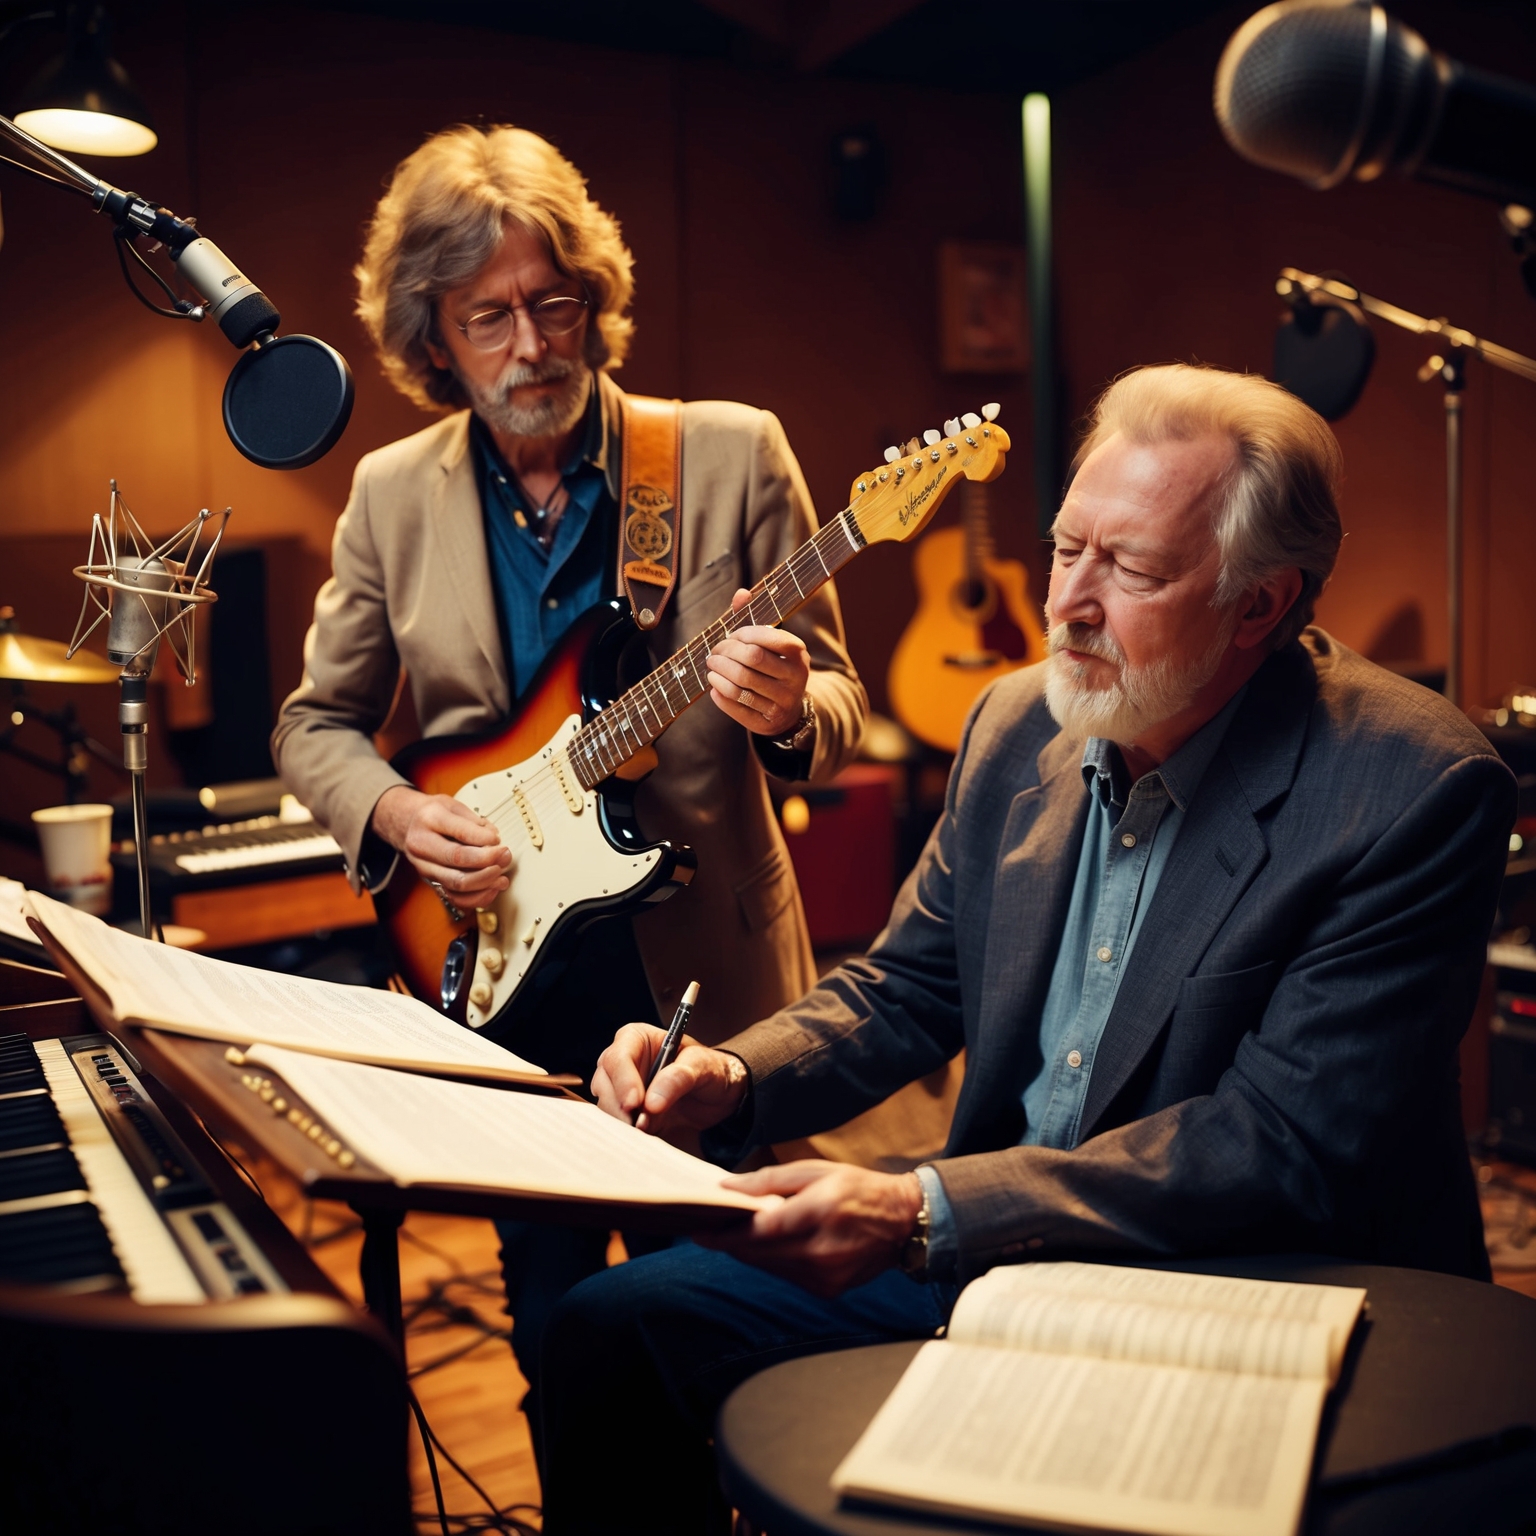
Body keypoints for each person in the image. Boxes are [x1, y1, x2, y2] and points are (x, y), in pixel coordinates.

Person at [542, 363, 1517, 1535]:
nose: (1068, 606)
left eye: (1135, 570)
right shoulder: (1016, 722)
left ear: (1262, 605)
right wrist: (735, 1074)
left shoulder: (1415, 788)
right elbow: (908, 983)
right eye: (1067, 550)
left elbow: (1278, 1148)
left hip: (1245, 1282)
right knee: (603, 1331)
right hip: (999, 1244)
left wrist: (917, 1210)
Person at [270, 124, 868, 1402]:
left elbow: (838, 696)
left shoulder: (726, 450)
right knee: (553, 1334)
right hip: (498, 984)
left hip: (702, 980)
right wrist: (392, 811)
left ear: (593, 300)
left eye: (552, 303)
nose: (532, 346)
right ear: (433, 336)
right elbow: (313, 723)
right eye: (488, 318)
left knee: (727, 1322)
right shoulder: (386, 494)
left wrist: (781, 708)